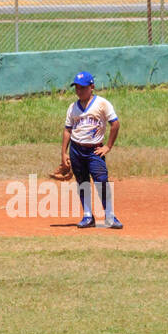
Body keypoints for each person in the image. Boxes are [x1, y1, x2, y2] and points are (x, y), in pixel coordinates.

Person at [60, 71, 122, 230]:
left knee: (101, 181)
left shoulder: (102, 104)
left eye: (83, 87)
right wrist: (64, 153)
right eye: (77, 88)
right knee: (82, 182)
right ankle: (88, 216)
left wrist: (108, 146)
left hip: (94, 150)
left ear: (92, 87)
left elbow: (115, 124)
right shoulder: (72, 107)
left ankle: (109, 217)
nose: (79, 91)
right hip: (76, 150)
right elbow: (68, 130)